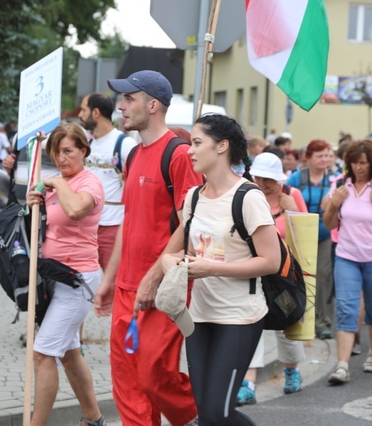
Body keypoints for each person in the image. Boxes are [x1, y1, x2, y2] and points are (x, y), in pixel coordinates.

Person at [94, 70, 201, 426]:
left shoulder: (180, 153)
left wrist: (154, 276)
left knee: (153, 376)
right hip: (127, 285)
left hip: (163, 288)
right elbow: (129, 220)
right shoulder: (135, 154)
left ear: (152, 105)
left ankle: (207, 414)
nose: (120, 106)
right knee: (126, 382)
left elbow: (192, 221)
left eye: (129, 99)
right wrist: (109, 278)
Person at [159, 114, 281, 424]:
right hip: (198, 316)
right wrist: (172, 264)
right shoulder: (193, 198)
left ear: (222, 147)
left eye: (197, 143)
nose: (189, 150)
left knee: (216, 413)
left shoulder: (248, 197)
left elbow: (271, 261)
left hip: (239, 317)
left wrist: (211, 269)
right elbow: (177, 253)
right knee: (208, 415)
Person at [25, 124, 106, 425]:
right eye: (56, 153)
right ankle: (93, 418)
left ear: (84, 150)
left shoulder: (89, 183)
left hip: (77, 281)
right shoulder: (58, 184)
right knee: (70, 354)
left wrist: (57, 184)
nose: (61, 158)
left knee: (43, 354)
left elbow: (74, 211)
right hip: (54, 279)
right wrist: (33, 205)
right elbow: (50, 225)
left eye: (68, 151)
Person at [323, 140, 372, 385]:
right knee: (346, 309)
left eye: (363, 163)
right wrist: (334, 204)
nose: (358, 168)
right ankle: (342, 366)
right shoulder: (339, 185)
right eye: (354, 163)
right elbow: (329, 225)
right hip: (347, 256)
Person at [237, 152, 307, 403]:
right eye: (259, 177)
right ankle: (248, 384)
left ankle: (291, 370)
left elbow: (305, 237)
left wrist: (293, 212)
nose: (263, 183)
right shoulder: (249, 196)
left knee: (288, 323)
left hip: (284, 277)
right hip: (255, 271)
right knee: (251, 323)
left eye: (268, 179)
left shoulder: (292, 195)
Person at [78, 93, 137, 271]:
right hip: (87, 225)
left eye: (83, 110)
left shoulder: (125, 144)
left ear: (95, 112)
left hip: (112, 226)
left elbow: (135, 187)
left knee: (113, 281)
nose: (79, 114)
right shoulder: (87, 144)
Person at [286, 139, 336, 339]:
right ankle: (298, 317)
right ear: (308, 158)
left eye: (327, 155)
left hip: (325, 233)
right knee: (298, 277)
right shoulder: (297, 178)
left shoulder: (334, 180)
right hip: (299, 235)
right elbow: (285, 199)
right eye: (320, 156)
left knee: (323, 277)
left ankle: (323, 322)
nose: (325, 160)